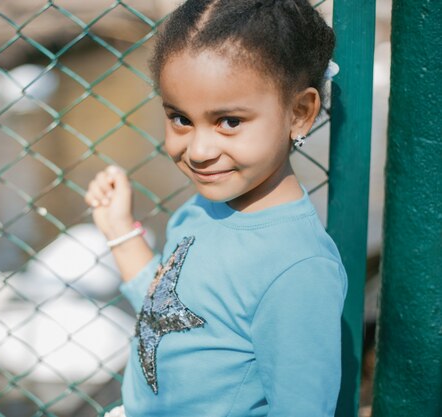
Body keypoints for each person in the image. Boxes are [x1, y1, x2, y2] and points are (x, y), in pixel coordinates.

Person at [84, 0, 347, 415]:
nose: (199, 151)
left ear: (299, 113)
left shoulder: (298, 268)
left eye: (229, 121)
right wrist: (119, 230)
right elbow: (164, 313)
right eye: (180, 119)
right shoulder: (203, 209)